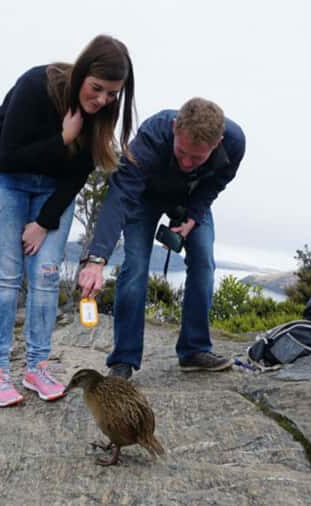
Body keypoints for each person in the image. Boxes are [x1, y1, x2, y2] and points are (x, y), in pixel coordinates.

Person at [0, 35, 136, 407]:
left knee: (45, 274)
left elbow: (77, 175)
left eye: (112, 94)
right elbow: (9, 153)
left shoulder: (102, 113)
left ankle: (36, 366)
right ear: (82, 72)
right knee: (7, 274)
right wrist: (62, 139)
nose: (103, 99)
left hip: (51, 189)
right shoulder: (37, 85)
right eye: (97, 88)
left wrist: (43, 221)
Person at [78, 98, 245, 379]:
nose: (187, 163)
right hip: (145, 198)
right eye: (181, 152)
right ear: (174, 128)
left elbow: (217, 183)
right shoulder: (150, 137)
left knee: (204, 261)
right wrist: (96, 260)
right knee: (136, 266)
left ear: (217, 143)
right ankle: (124, 359)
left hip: (192, 199)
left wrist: (193, 216)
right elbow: (120, 196)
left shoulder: (235, 142)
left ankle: (194, 350)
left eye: (197, 157)